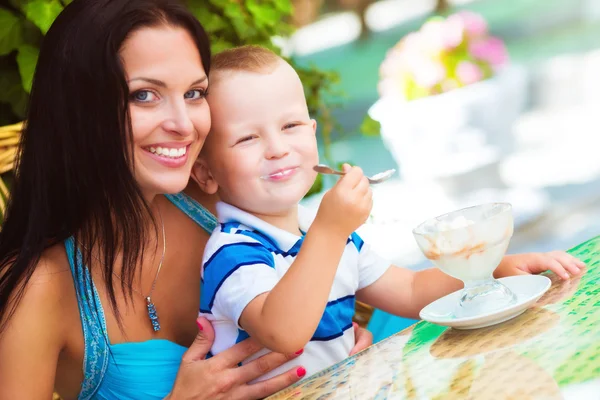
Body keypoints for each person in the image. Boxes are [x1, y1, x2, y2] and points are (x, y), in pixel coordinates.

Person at [0, 1, 373, 399]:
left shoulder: (220, 198)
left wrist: (337, 346)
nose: (183, 125)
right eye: (144, 95)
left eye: (194, 93)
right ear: (78, 108)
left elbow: (334, 282)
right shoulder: (40, 287)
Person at [191, 45, 586, 381]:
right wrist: (329, 232)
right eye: (247, 138)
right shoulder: (233, 252)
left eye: (290, 125)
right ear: (206, 173)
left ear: (312, 132)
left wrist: (493, 271)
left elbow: (411, 291)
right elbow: (283, 332)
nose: (277, 148)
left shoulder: (324, 234)